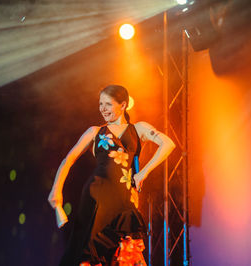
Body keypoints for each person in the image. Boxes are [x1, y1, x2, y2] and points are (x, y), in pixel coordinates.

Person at [48, 85, 175, 266]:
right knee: (91, 254)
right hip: (96, 198)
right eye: (100, 104)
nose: (102, 109)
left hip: (124, 200)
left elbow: (168, 144)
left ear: (123, 105)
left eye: (108, 104)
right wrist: (56, 191)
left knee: (127, 253)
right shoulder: (94, 132)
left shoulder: (138, 129)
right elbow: (68, 160)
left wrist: (143, 173)